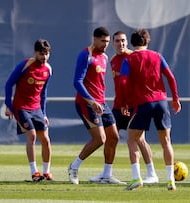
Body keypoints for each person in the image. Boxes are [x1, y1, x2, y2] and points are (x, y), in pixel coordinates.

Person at [89, 31, 158, 184]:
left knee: (140, 139)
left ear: (127, 42)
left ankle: (151, 173)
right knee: (110, 138)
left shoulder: (134, 57)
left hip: (133, 106)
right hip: (118, 106)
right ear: (113, 43)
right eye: (118, 41)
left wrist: (131, 103)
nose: (121, 44)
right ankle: (106, 174)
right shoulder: (113, 60)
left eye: (123, 41)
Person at [119, 29, 181, 190]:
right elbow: (171, 77)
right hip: (161, 101)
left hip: (143, 103)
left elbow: (123, 82)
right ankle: (170, 180)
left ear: (132, 43)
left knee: (132, 138)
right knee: (166, 141)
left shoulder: (129, 59)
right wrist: (175, 98)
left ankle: (136, 178)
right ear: (147, 41)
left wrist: (125, 102)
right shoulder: (157, 56)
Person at [68, 26, 125, 185]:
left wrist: (99, 101)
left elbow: (99, 83)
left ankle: (106, 175)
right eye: (103, 41)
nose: (105, 44)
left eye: (107, 41)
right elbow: (77, 82)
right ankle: (74, 167)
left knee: (113, 136)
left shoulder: (105, 57)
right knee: (100, 139)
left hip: (101, 103)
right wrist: (91, 102)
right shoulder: (86, 55)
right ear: (94, 39)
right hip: (86, 103)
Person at [5, 39, 53, 182]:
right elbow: (9, 84)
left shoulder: (48, 69)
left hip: (37, 108)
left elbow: (43, 93)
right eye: (41, 54)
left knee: (46, 140)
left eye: (47, 54)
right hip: (22, 107)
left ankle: (47, 172)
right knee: (31, 135)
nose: (44, 57)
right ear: (35, 53)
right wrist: (9, 104)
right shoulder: (25, 65)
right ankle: (34, 172)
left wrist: (43, 113)